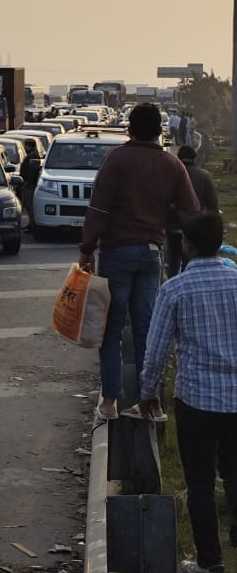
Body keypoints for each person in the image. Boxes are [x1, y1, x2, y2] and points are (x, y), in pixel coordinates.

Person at [134, 211, 237, 573]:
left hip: (198, 401)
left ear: (187, 245)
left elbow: (156, 349)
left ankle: (211, 567)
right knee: (234, 473)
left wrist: (147, 392)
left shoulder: (175, 289)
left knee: (200, 484)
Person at [80, 103, 200, 421]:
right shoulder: (173, 165)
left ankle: (109, 402)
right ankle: (151, 403)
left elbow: (99, 210)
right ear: (160, 131)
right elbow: (192, 211)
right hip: (151, 253)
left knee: (112, 328)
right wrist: (168, 212)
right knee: (148, 329)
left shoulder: (116, 160)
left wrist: (86, 249)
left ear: (129, 129)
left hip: (117, 253)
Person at [166, 145, 221, 277]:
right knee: (190, 262)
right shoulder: (204, 176)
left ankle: (173, 283)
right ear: (194, 158)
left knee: (172, 263)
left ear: (178, 157)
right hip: (195, 227)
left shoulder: (170, 175)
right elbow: (212, 205)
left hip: (172, 226)